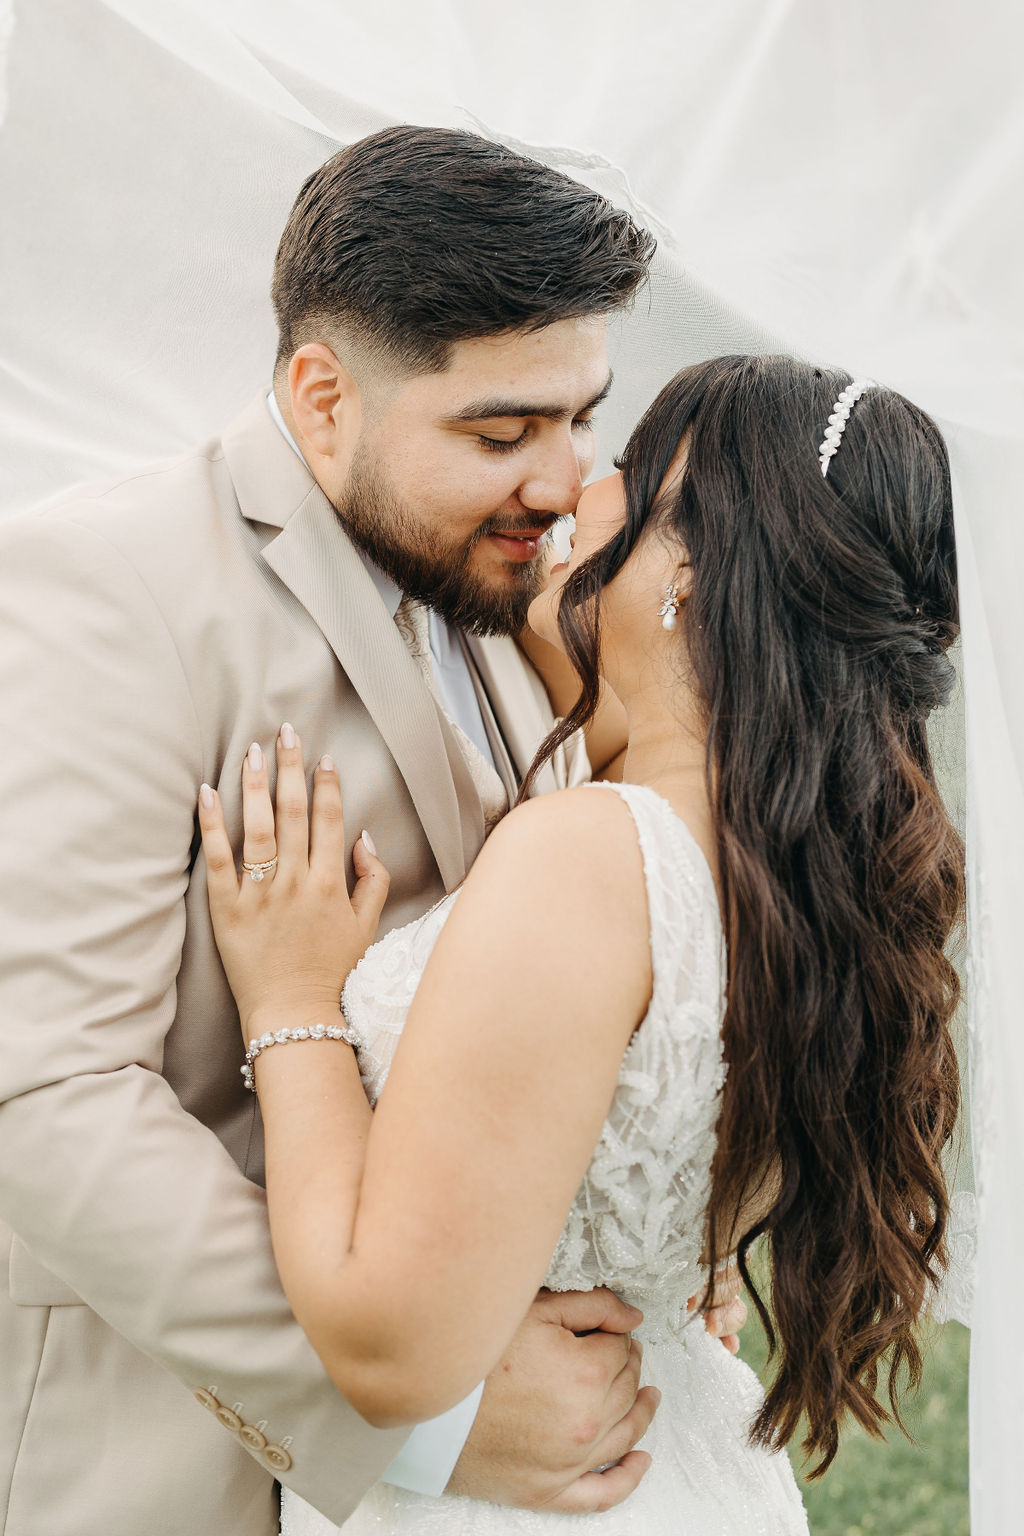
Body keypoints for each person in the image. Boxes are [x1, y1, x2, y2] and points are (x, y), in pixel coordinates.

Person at [0, 126, 757, 1536]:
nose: (563, 479)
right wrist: (426, 1415)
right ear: (322, 394)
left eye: (582, 416)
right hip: (172, 1466)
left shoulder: (522, 594)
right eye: (500, 431)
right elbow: (43, 1097)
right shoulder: (105, 590)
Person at [196, 353, 966, 1535]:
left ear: (691, 576)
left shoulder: (591, 858)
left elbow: (390, 1345)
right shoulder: (799, 892)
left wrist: (292, 1002)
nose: (575, 495)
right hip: (669, 1462)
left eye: (631, 467)